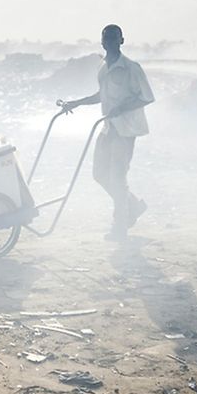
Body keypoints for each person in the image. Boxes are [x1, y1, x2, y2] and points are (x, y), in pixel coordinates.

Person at [61, 24, 155, 241]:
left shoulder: (132, 68)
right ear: (102, 42)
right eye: (107, 39)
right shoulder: (103, 67)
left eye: (114, 39)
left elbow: (147, 97)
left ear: (121, 41)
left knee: (117, 177)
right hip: (108, 127)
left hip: (126, 129)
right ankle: (132, 205)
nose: (110, 42)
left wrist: (123, 107)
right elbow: (101, 95)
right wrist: (76, 103)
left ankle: (120, 226)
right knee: (99, 174)